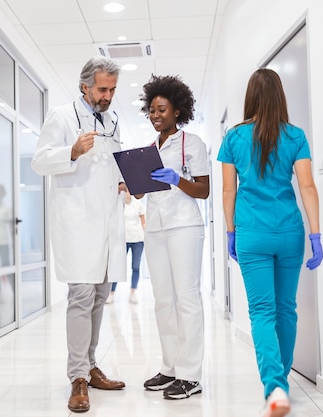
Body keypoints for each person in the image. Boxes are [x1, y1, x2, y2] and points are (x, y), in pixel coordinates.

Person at [217, 68, 323, 417]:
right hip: (289, 233)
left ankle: (275, 387)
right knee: (286, 308)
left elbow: (228, 190)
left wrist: (231, 232)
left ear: (250, 97)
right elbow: (307, 187)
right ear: (280, 97)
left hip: (251, 233)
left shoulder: (233, 138)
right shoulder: (295, 136)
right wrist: (315, 234)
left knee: (262, 312)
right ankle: (282, 381)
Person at [31, 56, 128, 413]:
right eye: (103, 89)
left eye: (113, 89)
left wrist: (124, 182)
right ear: (85, 86)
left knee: (101, 294)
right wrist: (71, 151)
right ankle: (77, 377)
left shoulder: (113, 120)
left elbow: (113, 162)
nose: (108, 95)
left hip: (107, 220)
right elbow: (39, 161)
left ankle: (90, 365)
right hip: (77, 222)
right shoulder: (61, 116)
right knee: (82, 295)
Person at [138, 74, 210, 400]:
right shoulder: (150, 148)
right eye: (152, 110)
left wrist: (177, 179)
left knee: (187, 299)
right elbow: (143, 193)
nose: (155, 115)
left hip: (184, 227)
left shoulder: (192, 143)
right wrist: (134, 183)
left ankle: (190, 375)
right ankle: (170, 367)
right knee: (163, 301)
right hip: (154, 227)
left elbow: (204, 190)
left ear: (177, 111)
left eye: (161, 110)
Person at [106, 193, 146, 304]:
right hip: (122, 240)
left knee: (136, 267)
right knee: (117, 267)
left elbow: (143, 222)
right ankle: (111, 294)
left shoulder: (138, 204)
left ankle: (133, 293)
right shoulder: (118, 204)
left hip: (138, 239)